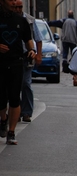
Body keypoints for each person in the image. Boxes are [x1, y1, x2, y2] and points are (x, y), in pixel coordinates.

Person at [0, 0, 36, 145]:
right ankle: (3, 119)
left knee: (15, 97)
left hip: (16, 62)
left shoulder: (22, 21)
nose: (14, 2)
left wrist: (32, 50)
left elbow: (28, 39)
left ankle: (11, 132)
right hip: (0, 63)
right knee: (1, 98)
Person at [15, 0, 43, 123]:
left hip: (27, 56)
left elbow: (38, 38)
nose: (18, 9)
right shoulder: (9, 19)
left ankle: (26, 112)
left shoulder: (30, 20)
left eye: (20, 7)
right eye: (16, 7)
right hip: (13, 57)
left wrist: (39, 55)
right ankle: (17, 110)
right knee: (15, 85)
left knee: (26, 83)